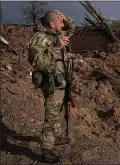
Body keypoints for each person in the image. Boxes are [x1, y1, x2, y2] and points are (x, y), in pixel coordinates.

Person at [27, 10, 75, 163]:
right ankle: (47, 149)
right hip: (51, 84)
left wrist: (65, 18)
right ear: (52, 24)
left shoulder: (56, 34)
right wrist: (56, 47)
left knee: (57, 113)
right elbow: (37, 62)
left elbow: (71, 29)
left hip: (60, 81)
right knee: (51, 117)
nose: (63, 24)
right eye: (60, 22)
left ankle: (55, 136)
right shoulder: (40, 38)